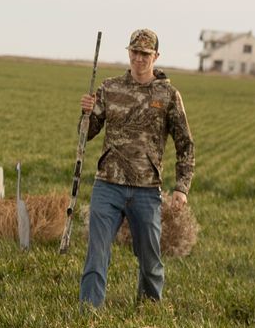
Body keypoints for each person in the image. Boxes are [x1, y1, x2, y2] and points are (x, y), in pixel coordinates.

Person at [77, 28, 195, 306]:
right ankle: (89, 313)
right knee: (97, 253)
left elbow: (185, 143)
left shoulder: (168, 94)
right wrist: (86, 112)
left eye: (145, 54)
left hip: (146, 190)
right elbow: (86, 134)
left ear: (156, 56)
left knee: (150, 259)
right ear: (128, 53)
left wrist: (182, 187)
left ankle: (149, 310)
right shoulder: (110, 88)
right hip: (107, 185)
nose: (139, 59)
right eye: (134, 52)